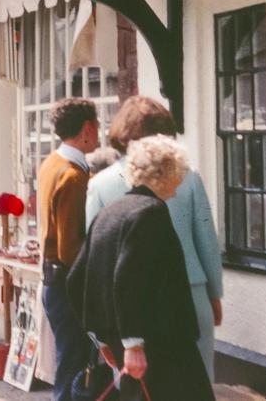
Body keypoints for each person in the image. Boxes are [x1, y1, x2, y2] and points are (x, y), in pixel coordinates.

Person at [86, 96, 224, 380]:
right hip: (190, 293)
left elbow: (94, 260)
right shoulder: (189, 176)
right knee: (195, 386)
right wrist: (214, 293)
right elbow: (207, 239)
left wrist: (99, 334)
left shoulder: (99, 184)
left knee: (139, 390)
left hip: (127, 311)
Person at [67, 135, 214, 400]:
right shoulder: (150, 212)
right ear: (165, 174)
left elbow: (76, 280)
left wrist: (103, 338)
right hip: (162, 344)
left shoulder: (110, 212)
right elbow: (127, 280)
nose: (180, 183)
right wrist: (133, 344)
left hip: (130, 342)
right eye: (179, 173)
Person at [37, 98, 99, 401]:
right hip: (68, 286)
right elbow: (69, 248)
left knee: (69, 364)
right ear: (87, 128)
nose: (99, 131)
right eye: (97, 125)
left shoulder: (51, 163)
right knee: (73, 369)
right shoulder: (73, 176)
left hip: (53, 282)